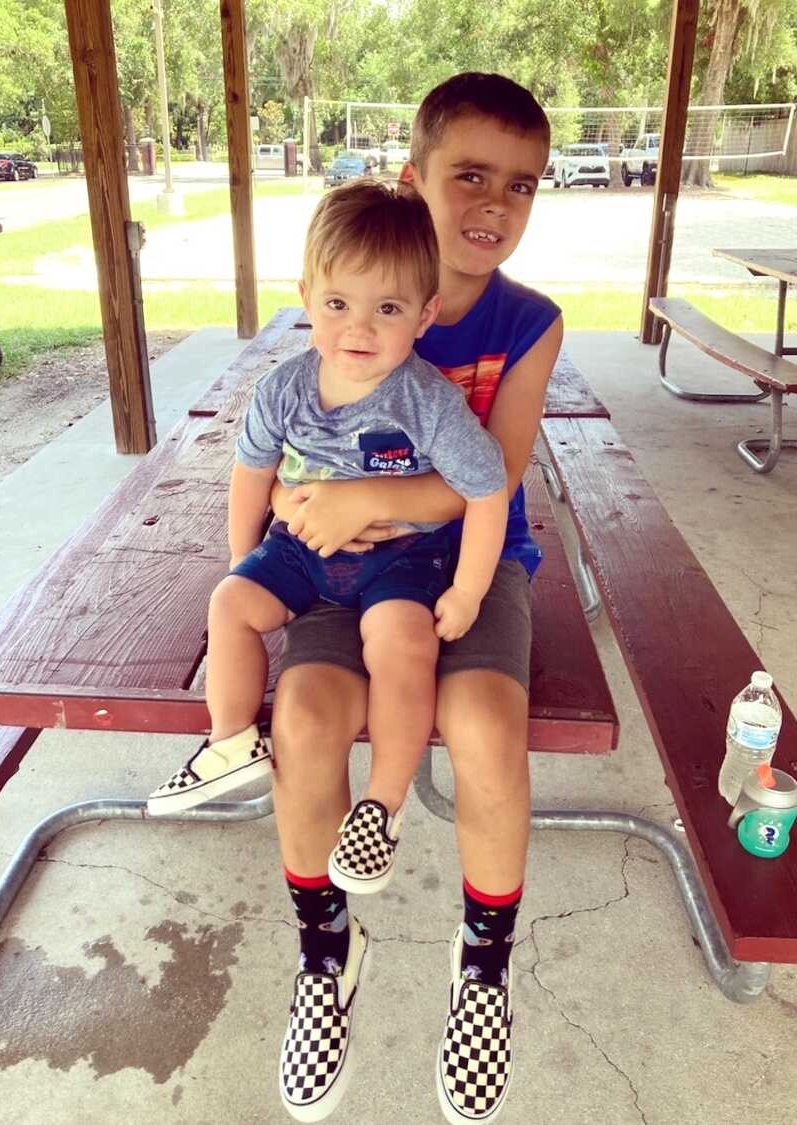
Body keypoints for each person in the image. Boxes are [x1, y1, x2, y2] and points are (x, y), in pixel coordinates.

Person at [271, 73, 562, 1124]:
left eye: (522, 186)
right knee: (304, 722)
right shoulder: (339, 305)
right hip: (343, 568)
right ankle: (322, 956)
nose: (494, 205)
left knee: (486, 723)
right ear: (413, 179)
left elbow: (498, 474)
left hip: (477, 558)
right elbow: (281, 451)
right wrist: (306, 523)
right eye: (470, 176)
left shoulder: (529, 324)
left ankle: (482, 966)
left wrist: (368, 498)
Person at [147, 180, 508, 908]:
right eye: (339, 304)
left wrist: (467, 589)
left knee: (403, 643)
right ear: (307, 295)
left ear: (425, 313)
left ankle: (381, 804)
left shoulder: (427, 398)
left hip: (402, 558)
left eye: (388, 309)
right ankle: (231, 740)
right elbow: (251, 478)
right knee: (231, 601)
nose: (359, 328)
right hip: (301, 547)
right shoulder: (282, 389)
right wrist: (244, 559)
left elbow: (487, 487)